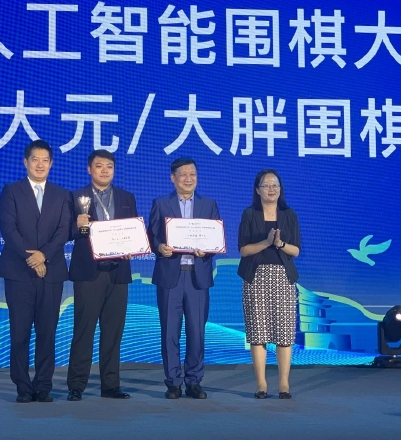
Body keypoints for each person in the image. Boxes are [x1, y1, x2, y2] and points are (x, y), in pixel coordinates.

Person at [0, 139, 71, 403]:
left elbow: (63, 231)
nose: (40, 164)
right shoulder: (11, 191)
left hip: (52, 272)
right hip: (19, 272)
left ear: (51, 164)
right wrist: (32, 258)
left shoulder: (62, 195)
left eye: (45, 160)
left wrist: (43, 256)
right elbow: (8, 229)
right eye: (35, 159)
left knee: (47, 332)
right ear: (25, 162)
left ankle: (43, 385)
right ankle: (23, 387)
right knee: (20, 332)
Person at [66, 149, 138, 401]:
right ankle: (76, 385)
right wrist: (77, 226)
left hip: (118, 272)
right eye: (99, 166)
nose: (104, 170)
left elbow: (133, 232)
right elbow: (66, 232)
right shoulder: (76, 197)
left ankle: (110, 385)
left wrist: (132, 247)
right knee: (84, 330)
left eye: (109, 166)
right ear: (89, 169)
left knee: (113, 331)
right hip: (89, 272)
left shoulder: (127, 197)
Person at [147, 157, 220, 400]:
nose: (189, 179)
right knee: (170, 332)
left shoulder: (209, 204)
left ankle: (194, 381)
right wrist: (160, 247)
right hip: (171, 277)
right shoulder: (161, 204)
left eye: (193, 174)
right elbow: (152, 236)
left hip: (198, 277)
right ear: (173, 178)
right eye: (183, 174)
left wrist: (206, 250)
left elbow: (215, 239)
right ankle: (173, 382)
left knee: (197, 332)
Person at [238, 169, 301, 400]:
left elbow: (296, 250)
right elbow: (244, 250)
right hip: (255, 277)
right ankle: (261, 384)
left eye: (275, 185)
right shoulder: (249, 214)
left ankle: (284, 383)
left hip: (283, 277)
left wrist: (280, 243)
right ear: (258, 190)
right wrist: (266, 242)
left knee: (284, 332)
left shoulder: (289, 215)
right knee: (258, 332)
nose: (271, 189)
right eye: (266, 185)